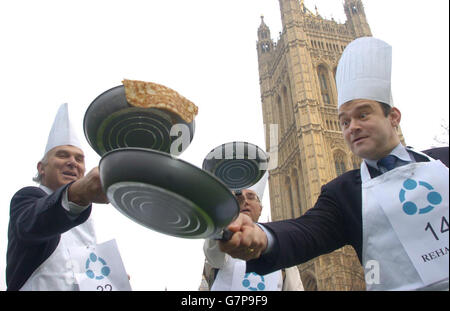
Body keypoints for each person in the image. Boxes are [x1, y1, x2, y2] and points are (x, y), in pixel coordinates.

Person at [218, 37, 449, 291]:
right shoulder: (344, 194)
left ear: (393, 116)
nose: (353, 127)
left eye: (363, 114)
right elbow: (304, 231)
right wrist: (262, 235)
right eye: (344, 121)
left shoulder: (443, 160)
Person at [6, 103, 110, 291]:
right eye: (62, 155)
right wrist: (78, 193)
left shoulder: (87, 221)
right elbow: (32, 223)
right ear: (41, 168)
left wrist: (109, 280)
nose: (72, 163)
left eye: (79, 159)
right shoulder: (27, 198)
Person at [203, 175, 304, 291]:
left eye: (250, 197)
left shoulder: (280, 247)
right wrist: (228, 216)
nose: (244, 201)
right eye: (238, 198)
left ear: (260, 208)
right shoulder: (225, 240)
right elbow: (213, 255)